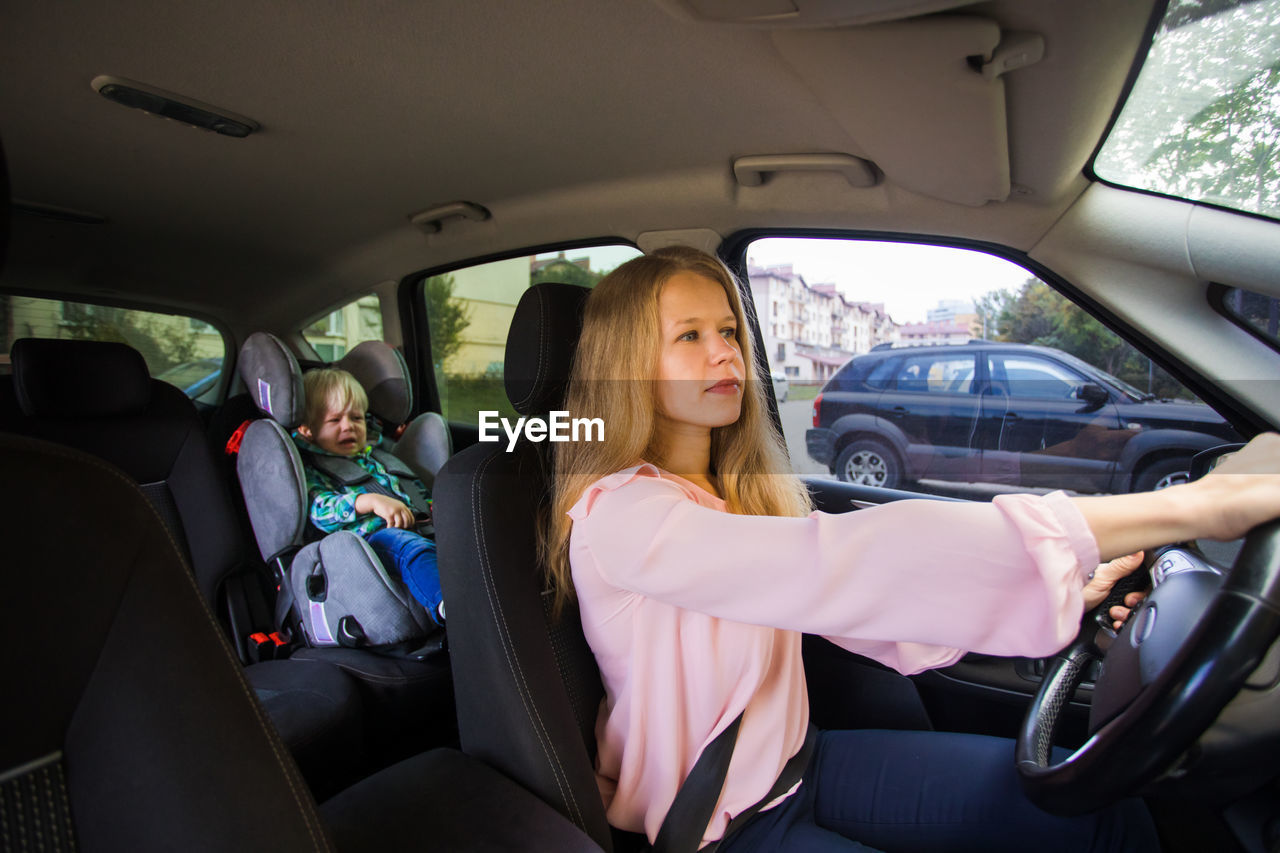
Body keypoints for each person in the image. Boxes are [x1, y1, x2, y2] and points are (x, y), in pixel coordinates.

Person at [542, 246, 1280, 852]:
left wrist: (1057, 586)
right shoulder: (623, 512)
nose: (724, 353)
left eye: (729, 330)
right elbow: (840, 562)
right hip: (716, 825)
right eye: (689, 336)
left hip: (806, 764)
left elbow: (857, 607)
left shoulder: (738, 493)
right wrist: (1188, 506)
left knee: (1100, 813)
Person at [294, 367, 445, 625]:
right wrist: (368, 501)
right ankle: (448, 605)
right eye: (334, 420)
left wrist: (438, 510)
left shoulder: (379, 459)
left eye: (356, 418)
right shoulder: (311, 470)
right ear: (308, 429)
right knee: (409, 549)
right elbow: (320, 511)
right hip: (369, 545)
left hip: (416, 529)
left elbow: (416, 494)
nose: (348, 427)